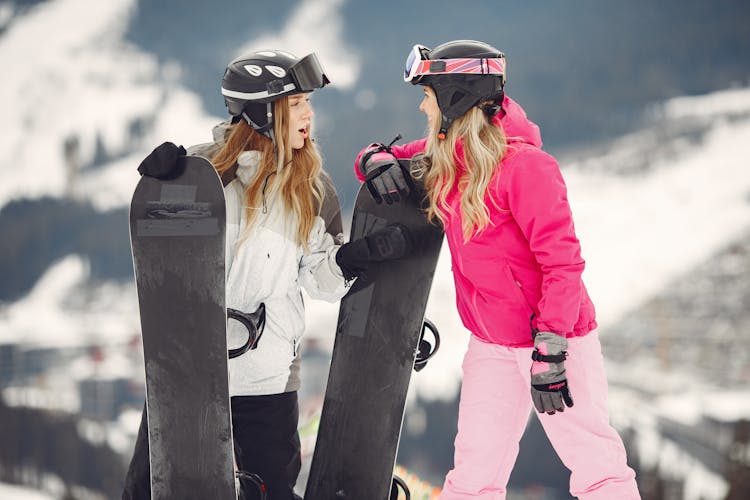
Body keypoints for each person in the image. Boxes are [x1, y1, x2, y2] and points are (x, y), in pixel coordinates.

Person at [354, 40, 640, 499]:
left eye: (428, 94)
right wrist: (374, 159)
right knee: (472, 477)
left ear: (455, 101)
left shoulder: (526, 168)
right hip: (491, 346)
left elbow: (563, 264)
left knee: (596, 467)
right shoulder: (446, 158)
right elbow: (381, 156)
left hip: (556, 341)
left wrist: (551, 349)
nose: (421, 104)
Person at [122, 49, 411, 500]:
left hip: (269, 378)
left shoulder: (313, 188)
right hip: (188, 373)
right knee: (153, 491)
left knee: (271, 491)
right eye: (297, 104)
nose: (309, 115)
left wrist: (353, 258)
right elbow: (162, 261)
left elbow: (319, 279)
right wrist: (161, 184)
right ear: (262, 112)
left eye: (308, 104)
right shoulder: (203, 174)